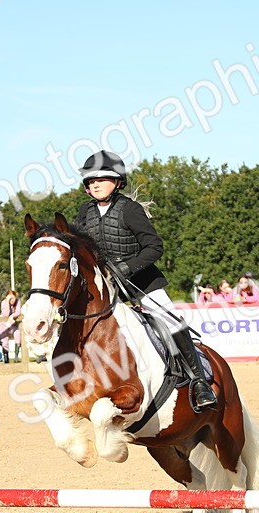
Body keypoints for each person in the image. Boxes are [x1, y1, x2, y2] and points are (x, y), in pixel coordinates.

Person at [73, 149, 217, 411]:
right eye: (90, 180)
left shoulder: (130, 209)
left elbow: (154, 247)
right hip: (106, 289)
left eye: (101, 179)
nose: (94, 183)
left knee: (173, 323)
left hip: (141, 284)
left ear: (117, 181)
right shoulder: (85, 213)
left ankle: (199, 382)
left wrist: (126, 268)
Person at [0, 288, 22, 362]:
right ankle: (6, 358)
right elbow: (5, 314)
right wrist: (7, 302)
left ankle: (16, 356)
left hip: (11, 323)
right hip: (2, 323)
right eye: (10, 298)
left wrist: (12, 316)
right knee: (4, 341)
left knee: (17, 334)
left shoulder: (18, 302)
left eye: (13, 298)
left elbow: (18, 312)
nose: (12, 300)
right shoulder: (4, 303)